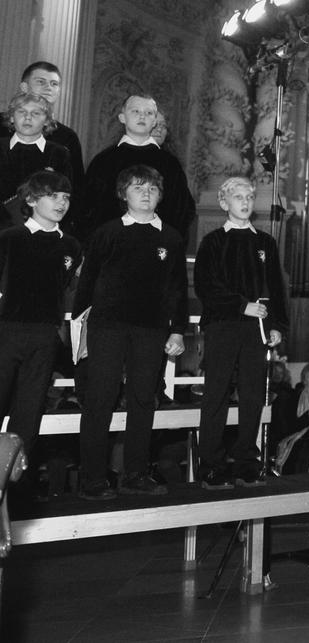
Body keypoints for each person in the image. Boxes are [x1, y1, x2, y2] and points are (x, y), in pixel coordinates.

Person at [72, 164, 188, 499]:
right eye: (138, 188)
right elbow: (86, 285)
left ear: (160, 195)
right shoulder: (106, 233)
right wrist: (81, 334)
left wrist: (177, 331)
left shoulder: (171, 237)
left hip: (150, 330)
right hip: (107, 327)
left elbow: (178, 290)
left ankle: (136, 473)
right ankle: (92, 478)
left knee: (143, 399)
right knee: (100, 400)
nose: (146, 193)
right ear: (124, 194)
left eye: (152, 188)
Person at [193, 176, 289, 489]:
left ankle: (247, 461)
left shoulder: (266, 243)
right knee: (216, 394)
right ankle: (212, 464)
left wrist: (277, 325)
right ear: (224, 203)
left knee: (252, 395)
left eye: (249, 196)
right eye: (237, 196)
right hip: (223, 325)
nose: (245, 202)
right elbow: (206, 287)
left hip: (257, 328)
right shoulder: (213, 242)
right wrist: (241, 306)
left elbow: (276, 287)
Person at [0, 172, 81, 478]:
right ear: (32, 200)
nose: (61, 203)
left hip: (45, 336)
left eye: (66, 197)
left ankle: (13, 480)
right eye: (53, 196)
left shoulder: (72, 246)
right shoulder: (9, 238)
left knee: (30, 412)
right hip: (6, 331)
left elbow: (69, 291)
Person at [79, 94, 196, 242]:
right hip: (112, 247)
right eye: (135, 111)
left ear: (154, 121)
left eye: (149, 113)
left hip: (157, 246)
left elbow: (182, 210)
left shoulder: (170, 163)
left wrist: (168, 242)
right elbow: (88, 209)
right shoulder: (103, 161)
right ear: (122, 117)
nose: (142, 117)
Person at [0, 62, 85, 208]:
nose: (48, 88)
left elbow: (75, 187)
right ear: (24, 87)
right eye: (41, 82)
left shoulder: (67, 137)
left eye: (54, 84)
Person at [1, 93, 75, 226]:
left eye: (35, 113)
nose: (27, 117)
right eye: (21, 112)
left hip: (43, 227)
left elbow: (67, 194)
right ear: (11, 117)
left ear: (47, 120)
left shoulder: (59, 153)